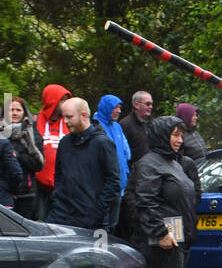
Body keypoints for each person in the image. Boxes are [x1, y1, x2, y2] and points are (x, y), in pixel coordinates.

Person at [131, 116, 200, 268]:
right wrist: (160, 232)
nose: (180, 140)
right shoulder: (150, 164)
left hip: (176, 233)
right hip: (163, 237)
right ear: (162, 136)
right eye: (175, 135)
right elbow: (144, 200)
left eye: (181, 135)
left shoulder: (172, 162)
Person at [46, 97, 121, 230]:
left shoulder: (102, 143)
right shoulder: (64, 142)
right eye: (64, 117)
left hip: (92, 220)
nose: (66, 122)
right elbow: (59, 174)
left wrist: (96, 213)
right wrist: (57, 200)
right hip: (60, 215)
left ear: (84, 115)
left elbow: (113, 182)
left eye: (69, 117)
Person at [34, 83, 73, 220]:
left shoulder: (69, 122)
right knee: (40, 222)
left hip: (62, 186)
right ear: (52, 100)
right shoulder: (35, 121)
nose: (66, 103)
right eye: (62, 99)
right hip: (39, 186)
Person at [92, 94, 131, 230]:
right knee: (102, 225)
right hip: (104, 187)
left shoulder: (117, 127)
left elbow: (126, 154)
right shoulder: (95, 126)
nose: (119, 111)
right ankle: (101, 249)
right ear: (107, 108)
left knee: (113, 225)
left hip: (119, 185)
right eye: (115, 107)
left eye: (120, 107)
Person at [3, 96, 45, 219]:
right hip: (3, 191)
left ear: (24, 112)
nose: (15, 113)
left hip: (26, 192)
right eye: (11, 110)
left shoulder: (32, 134)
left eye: (18, 110)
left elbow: (38, 164)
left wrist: (18, 156)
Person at [120, 90, 154, 165]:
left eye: (151, 104)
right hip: (135, 171)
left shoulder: (154, 123)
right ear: (136, 105)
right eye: (148, 104)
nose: (150, 107)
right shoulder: (125, 125)